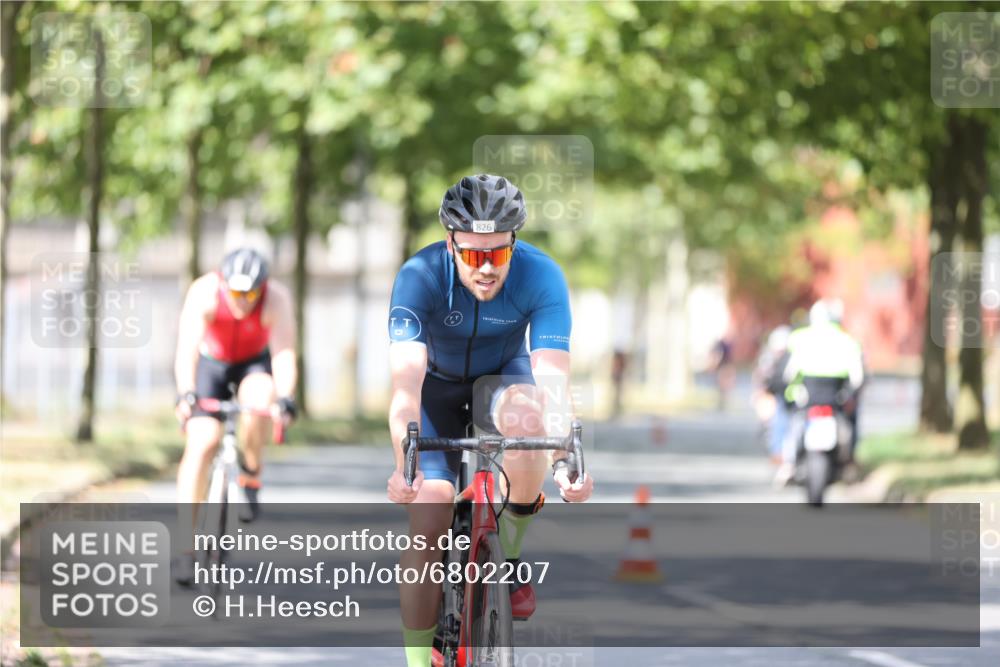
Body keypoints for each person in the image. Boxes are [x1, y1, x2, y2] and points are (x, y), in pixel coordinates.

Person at [386, 174, 595, 667]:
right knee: (429, 523)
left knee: (530, 420)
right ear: (450, 242)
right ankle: (419, 662)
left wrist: (566, 458)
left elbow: (553, 379)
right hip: (434, 388)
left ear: (513, 245)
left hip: (502, 381)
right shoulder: (419, 276)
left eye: (497, 255)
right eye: (473, 254)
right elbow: (405, 385)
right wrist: (404, 466)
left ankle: (513, 556)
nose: (485, 269)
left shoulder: (541, 276)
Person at [173, 247, 298, 584]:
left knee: (260, 400)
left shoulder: (277, 299)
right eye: (236, 292)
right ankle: (186, 547)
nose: (243, 300)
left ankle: (251, 475)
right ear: (223, 283)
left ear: (263, 287)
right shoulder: (203, 292)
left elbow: (284, 354)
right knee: (202, 443)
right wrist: (185, 393)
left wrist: (286, 398)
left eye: (251, 293)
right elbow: (186, 349)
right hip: (211, 365)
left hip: (252, 364)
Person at [775, 298, 864, 486]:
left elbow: (788, 373)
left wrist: (790, 390)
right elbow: (858, 378)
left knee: (792, 425)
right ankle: (849, 465)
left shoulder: (800, 338)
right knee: (850, 424)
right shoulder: (847, 340)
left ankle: (788, 466)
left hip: (808, 398)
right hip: (835, 398)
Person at [752, 325, 792, 464]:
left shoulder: (792, 356)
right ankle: (777, 452)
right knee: (777, 419)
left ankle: (781, 452)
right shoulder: (768, 358)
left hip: (788, 395)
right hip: (774, 394)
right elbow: (761, 377)